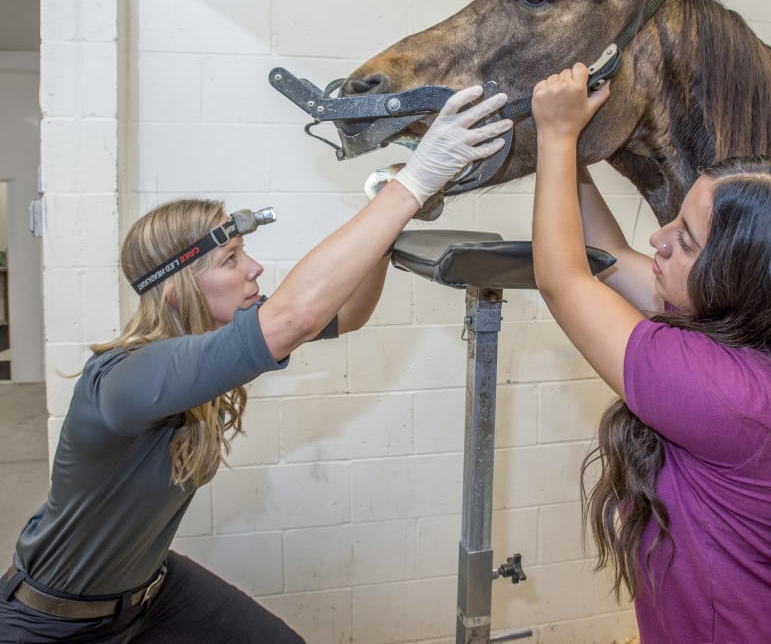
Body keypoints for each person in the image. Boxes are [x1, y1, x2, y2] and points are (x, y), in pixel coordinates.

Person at [0, 85, 512, 644]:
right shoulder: (126, 378)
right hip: (53, 621)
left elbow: (347, 311)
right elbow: (293, 318)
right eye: (231, 259)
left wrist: (383, 214)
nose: (256, 269)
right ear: (177, 287)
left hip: (150, 589)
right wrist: (414, 183)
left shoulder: (206, 348)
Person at [529, 63, 771, 644]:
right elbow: (606, 252)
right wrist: (577, 146)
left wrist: (553, 137)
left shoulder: (726, 396)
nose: (658, 239)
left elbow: (565, 279)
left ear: (744, 279)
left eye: (684, 238)